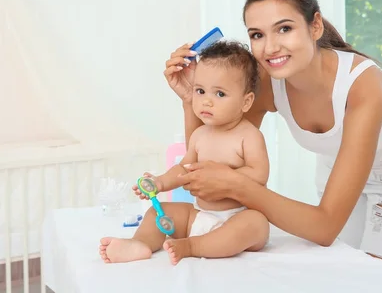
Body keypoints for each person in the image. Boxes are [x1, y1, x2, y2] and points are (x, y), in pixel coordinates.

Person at [164, 0, 382, 271]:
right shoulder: (267, 80)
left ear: (315, 26)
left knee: (373, 275)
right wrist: (188, 101)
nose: (270, 47)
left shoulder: (364, 88)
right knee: (336, 269)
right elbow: (212, 150)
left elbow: (324, 228)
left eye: (284, 29)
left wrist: (239, 186)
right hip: (337, 170)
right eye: (257, 34)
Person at [100, 41, 270, 265]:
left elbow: (260, 175)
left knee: (256, 223)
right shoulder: (200, 135)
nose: (206, 100)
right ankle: (139, 243)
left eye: (220, 93)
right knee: (156, 214)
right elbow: (184, 168)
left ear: (246, 102)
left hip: (235, 216)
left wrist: (225, 175)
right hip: (198, 215)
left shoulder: (248, 136)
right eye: (200, 91)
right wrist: (160, 183)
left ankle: (191, 246)